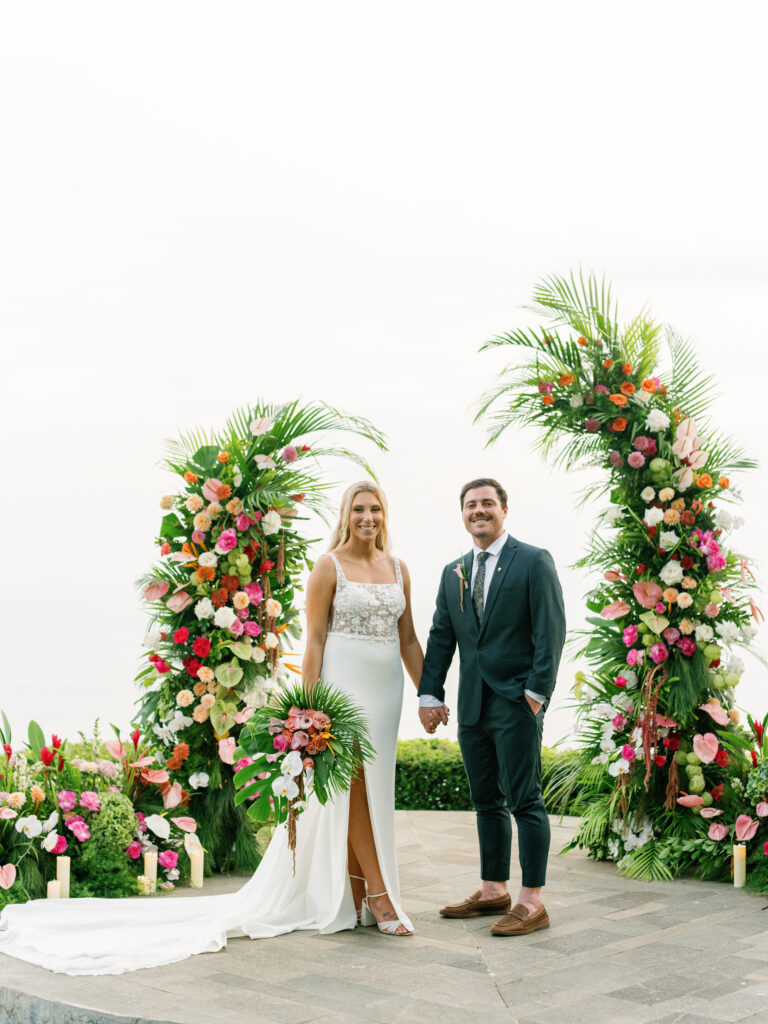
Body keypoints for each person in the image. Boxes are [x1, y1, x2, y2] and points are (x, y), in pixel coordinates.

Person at [0, 481, 420, 975]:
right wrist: (310, 708)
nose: (367, 517)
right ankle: (379, 893)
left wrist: (429, 693)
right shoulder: (328, 567)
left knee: (373, 788)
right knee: (349, 786)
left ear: (384, 514)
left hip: (387, 690)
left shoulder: (398, 569)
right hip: (341, 687)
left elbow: (409, 637)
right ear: (346, 515)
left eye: (374, 509)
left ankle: (355, 892)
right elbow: (315, 641)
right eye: (358, 509)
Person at [417, 478, 565, 936]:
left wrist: (536, 695)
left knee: (525, 800)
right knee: (486, 802)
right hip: (472, 705)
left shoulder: (533, 560)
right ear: (462, 514)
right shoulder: (453, 571)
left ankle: (531, 900)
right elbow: (442, 636)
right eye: (470, 505)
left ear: (504, 509)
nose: (478, 511)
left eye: (486, 503)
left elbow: (551, 630)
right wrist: (429, 694)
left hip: (517, 702)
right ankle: (492, 889)